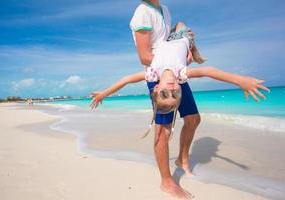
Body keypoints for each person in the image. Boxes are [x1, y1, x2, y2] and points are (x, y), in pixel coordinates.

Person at [90, 21, 269, 200]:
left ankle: (181, 159)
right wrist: (240, 81)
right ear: (179, 89)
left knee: (193, 118)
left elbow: (127, 79)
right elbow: (208, 71)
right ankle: (172, 174)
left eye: (165, 92)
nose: (171, 87)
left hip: (170, 38)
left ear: (156, 87)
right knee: (187, 34)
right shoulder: (181, 75)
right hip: (183, 39)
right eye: (174, 93)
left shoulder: (152, 74)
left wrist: (103, 94)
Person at [129, 0, 203, 198]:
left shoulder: (165, 10)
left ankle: (182, 159)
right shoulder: (142, 12)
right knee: (163, 130)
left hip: (173, 71)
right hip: (158, 76)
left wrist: (182, 38)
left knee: (193, 118)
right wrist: (179, 59)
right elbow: (145, 57)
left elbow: (163, 38)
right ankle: (166, 181)